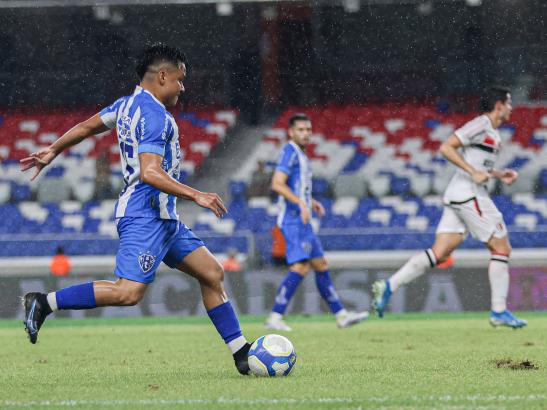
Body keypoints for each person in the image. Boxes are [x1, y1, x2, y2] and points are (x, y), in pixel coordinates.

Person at [20, 44, 252, 374]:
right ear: (162, 76)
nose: (182, 88)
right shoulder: (156, 116)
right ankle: (44, 302)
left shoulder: (126, 104)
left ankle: (241, 353)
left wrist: (53, 150)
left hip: (164, 218)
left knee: (212, 273)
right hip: (144, 216)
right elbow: (150, 172)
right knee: (128, 293)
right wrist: (196, 194)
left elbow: (88, 126)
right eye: (180, 80)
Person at [372, 86, 527, 329]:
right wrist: (474, 172)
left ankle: (389, 285)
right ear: (498, 105)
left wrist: (498, 174)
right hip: (469, 195)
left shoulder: (493, 133)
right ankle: (499, 311)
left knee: (440, 252)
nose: (511, 107)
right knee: (501, 248)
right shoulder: (481, 124)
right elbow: (446, 147)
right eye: (508, 102)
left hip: (458, 195)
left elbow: (478, 165)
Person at [265, 113, 369, 331]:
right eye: (301, 130)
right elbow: (277, 184)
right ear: (291, 132)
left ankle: (341, 316)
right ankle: (275, 316)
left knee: (321, 264)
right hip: (292, 220)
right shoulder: (289, 152)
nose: (306, 134)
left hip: (303, 219)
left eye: (308, 130)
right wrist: (301, 205)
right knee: (301, 267)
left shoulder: (301, 156)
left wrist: (310, 202)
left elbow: (297, 187)